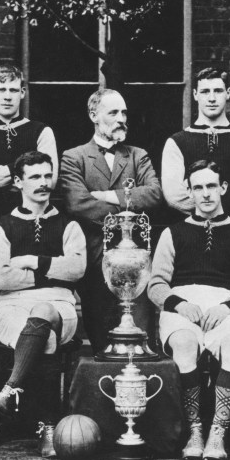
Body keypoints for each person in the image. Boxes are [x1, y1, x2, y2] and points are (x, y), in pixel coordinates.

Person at [147, 160, 230, 460]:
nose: (206, 194)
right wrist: (179, 304)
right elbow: (155, 284)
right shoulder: (173, 233)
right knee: (184, 343)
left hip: (223, 303)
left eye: (212, 186)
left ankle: (217, 433)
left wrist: (228, 308)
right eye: (198, 187)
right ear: (189, 191)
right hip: (181, 303)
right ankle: (195, 431)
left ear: (223, 188)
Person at [0, 151, 87, 457]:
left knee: (44, 313)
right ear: (18, 182)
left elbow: (76, 270)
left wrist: (30, 260)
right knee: (47, 337)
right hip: (12, 307)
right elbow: (1, 279)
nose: (43, 183)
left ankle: (9, 389)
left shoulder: (70, 226)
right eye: (34, 177)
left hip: (61, 305)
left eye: (47, 176)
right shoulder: (1, 227)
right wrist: (53, 271)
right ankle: (49, 426)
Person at [59, 88, 163, 353]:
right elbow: (77, 203)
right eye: (113, 112)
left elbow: (153, 194)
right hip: (96, 258)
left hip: (138, 260)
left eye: (124, 112)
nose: (121, 118)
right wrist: (127, 209)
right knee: (102, 341)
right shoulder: (75, 157)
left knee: (139, 336)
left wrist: (107, 195)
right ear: (94, 115)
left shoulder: (137, 155)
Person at [0, 65, 58, 227]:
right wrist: (23, 169)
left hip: (36, 223)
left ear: (22, 93)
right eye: (1, 90)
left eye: (13, 90)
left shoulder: (41, 131)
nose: (7, 97)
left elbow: (50, 180)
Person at [162, 68, 230, 223]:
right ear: (195, 94)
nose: (212, 98)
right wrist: (228, 193)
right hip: (190, 232)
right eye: (205, 91)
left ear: (228, 93)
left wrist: (198, 193)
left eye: (218, 91)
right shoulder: (176, 142)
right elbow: (174, 196)